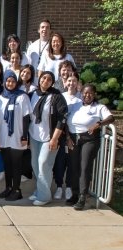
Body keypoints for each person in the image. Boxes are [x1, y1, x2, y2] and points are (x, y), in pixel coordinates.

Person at [66, 84, 114, 210]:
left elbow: (111, 118)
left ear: (94, 94)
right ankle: (75, 194)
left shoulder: (99, 107)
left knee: (85, 166)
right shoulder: (75, 105)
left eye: (90, 93)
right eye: (85, 93)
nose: (87, 95)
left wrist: (99, 124)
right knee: (74, 167)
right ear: (81, 93)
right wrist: (67, 138)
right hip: (73, 139)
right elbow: (65, 121)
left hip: (89, 140)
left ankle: (82, 196)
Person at [28, 71, 68, 206]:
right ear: (39, 79)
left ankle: (44, 197)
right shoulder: (32, 94)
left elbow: (62, 118)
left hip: (49, 138)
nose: (45, 81)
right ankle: (39, 191)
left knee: (44, 164)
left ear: (52, 82)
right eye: (43, 78)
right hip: (34, 136)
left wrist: (55, 139)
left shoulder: (56, 96)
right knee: (35, 165)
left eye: (49, 79)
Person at [0, 71, 32, 201]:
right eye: (8, 81)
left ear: (16, 82)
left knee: (16, 165)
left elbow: (26, 118)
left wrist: (24, 136)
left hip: (18, 136)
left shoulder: (22, 97)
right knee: (7, 165)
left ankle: (17, 190)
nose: (10, 83)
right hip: (4, 137)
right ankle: (8, 188)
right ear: (4, 82)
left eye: (13, 81)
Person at [54, 72, 82, 202]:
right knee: (59, 162)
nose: (71, 83)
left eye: (74, 81)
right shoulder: (60, 97)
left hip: (74, 136)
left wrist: (71, 138)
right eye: (69, 81)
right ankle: (59, 186)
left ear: (78, 83)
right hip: (61, 134)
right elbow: (59, 118)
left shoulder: (81, 101)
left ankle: (69, 186)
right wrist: (65, 137)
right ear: (65, 83)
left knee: (72, 162)